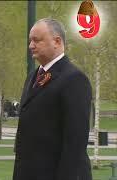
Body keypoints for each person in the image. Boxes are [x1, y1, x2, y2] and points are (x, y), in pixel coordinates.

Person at [13, 18, 92, 180]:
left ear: (57, 41)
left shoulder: (74, 79)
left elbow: (74, 143)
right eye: (30, 41)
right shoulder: (33, 77)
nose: (31, 45)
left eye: (37, 40)